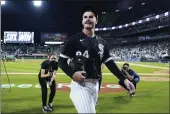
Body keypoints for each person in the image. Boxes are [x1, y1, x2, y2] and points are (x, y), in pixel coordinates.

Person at [58, 8, 135, 113]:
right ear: (82, 21)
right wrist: (72, 74)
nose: (88, 19)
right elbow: (61, 61)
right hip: (81, 85)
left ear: (96, 20)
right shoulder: (73, 40)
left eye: (91, 17)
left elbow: (110, 63)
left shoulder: (102, 42)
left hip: (95, 86)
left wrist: (124, 79)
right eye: (85, 17)